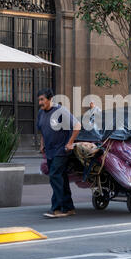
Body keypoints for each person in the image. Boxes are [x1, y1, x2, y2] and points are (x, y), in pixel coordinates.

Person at [37, 88, 81, 218]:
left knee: (55, 176)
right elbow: (42, 130)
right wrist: (42, 144)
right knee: (61, 178)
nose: (40, 102)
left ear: (50, 99)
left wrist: (70, 143)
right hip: (49, 151)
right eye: (39, 100)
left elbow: (77, 126)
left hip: (61, 150)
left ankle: (56, 208)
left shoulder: (60, 111)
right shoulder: (41, 113)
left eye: (42, 99)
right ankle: (69, 207)